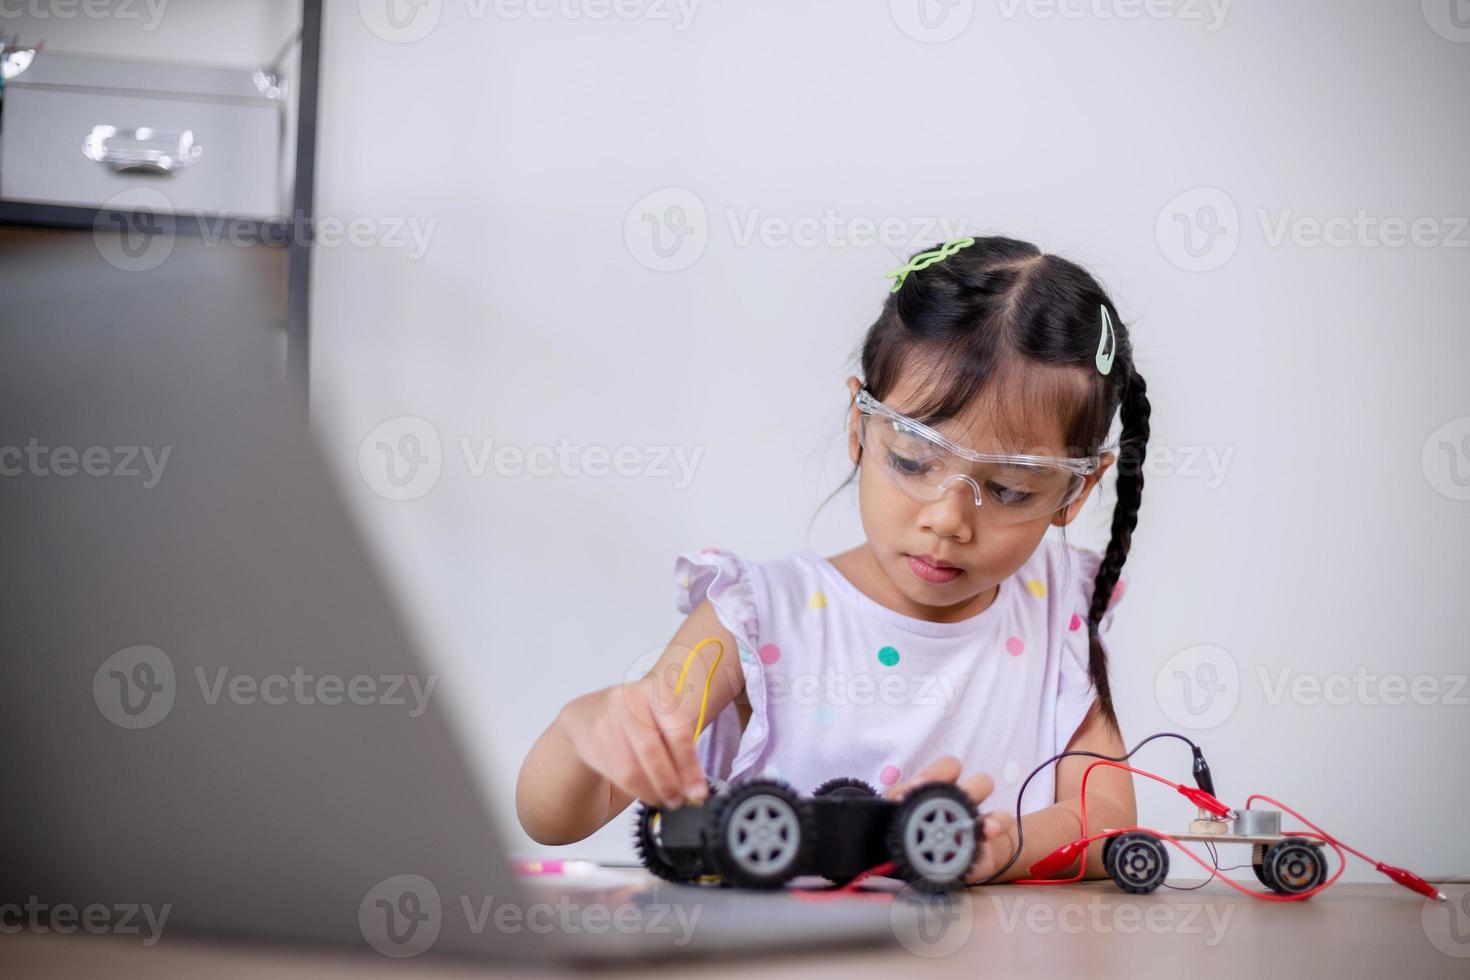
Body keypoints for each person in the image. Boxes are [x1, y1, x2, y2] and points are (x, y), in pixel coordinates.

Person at [516, 235, 1146, 884]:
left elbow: (1109, 820)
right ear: (859, 425)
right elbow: (554, 819)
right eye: (911, 461)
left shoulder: (1056, 611)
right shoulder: (752, 619)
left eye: (1011, 488)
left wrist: (1011, 845)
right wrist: (579, 736)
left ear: (1077, 489)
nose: (947, 519)